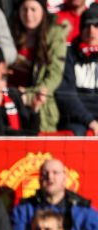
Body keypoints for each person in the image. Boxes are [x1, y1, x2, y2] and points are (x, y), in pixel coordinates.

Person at [10, 157, 98, 230]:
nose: (50, 177)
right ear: (39, 180)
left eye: (55, 173)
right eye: (45, 173)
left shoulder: (82, 209)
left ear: (64, 179)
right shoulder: (24, 209)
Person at [10, 0, 68, 133]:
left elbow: (55, 75)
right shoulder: (11, 32)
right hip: (11, 102)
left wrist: (29, 96)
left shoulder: (54, 35)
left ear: (43, 10)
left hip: (39, 106)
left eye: (33, 9)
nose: (28, 14)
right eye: (25, 9)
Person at [55, 6, 98, 135]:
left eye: (96, 26)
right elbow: (65, 94)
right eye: (87, 26)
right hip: (77, 119)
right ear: (80, 29)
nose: (91, 31)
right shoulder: (69, 54)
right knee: (74, 135)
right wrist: (90, 121)